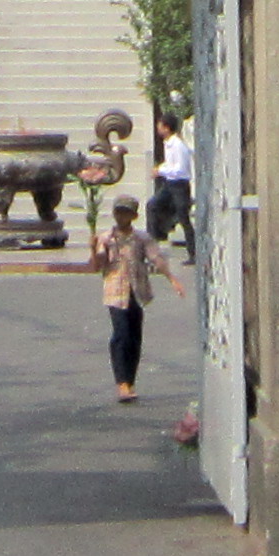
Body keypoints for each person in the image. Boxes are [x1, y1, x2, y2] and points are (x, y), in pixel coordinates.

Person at [92, 201, 164, 403]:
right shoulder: (107, 239)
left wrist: (173, 279)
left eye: (126, 213)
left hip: (136, 292)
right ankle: (121, 383)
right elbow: (97, 265)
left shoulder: (141, 238)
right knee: (121, 334)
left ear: (133, 216)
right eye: (118, 212)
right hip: (115, 293)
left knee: (134, 337)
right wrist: (93, 248)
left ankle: (130, 381)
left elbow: (156, 258)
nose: (121, 217)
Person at [152, 112, 195, 254]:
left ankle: (192, 251)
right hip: (169, 184)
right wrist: (160, 169)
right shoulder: (167, 144)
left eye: (160, 126)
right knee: (153, 205)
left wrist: (162, 172)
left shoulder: (178, 145)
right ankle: (154, 242)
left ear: (167, 128)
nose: (158, 128)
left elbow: (180, 169)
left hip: (180, 185)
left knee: (184, 218)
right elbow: (170, 164)